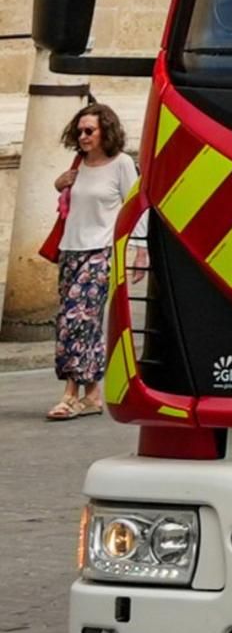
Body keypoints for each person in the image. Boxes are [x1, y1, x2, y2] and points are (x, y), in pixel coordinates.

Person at [46, 103, 138, 422]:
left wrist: (139, 251)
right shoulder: (78, 165)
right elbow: (72, 207)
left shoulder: (122, 164)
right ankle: (93, 396)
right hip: (71, 250)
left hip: (101, 251)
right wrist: (60, 184)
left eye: (90, 131)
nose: (83, 136)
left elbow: (136, 208)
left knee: (76, 320)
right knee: (80, 323)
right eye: (80, 131)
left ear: (105, 132)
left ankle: (70, 395)